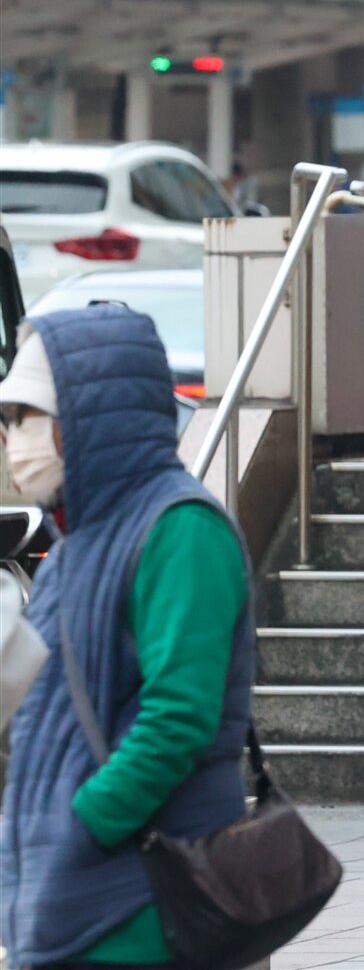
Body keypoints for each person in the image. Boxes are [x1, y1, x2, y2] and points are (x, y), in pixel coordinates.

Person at [0, 307, 254, 968]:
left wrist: (81, 822)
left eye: (27, 416)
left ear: (87, 414)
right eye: (7, 419)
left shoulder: (180, 528)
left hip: (142, 905)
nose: (13, 439)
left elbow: (179, 717)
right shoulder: (78, 542)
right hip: (72, 899)